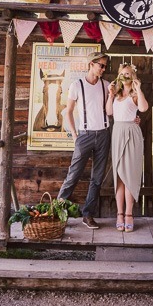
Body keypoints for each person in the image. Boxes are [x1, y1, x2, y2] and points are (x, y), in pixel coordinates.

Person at [57, 51, 111, 229]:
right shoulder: (77, 85)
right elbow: (69, 111)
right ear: (91, 64)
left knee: (97, 178)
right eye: (100, 65)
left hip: (103, 134)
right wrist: (74, 133)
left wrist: (134, 118)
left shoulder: (107, 85)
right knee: (73, 175)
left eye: (104, 65)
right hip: (84, 135)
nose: (103, 68)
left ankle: (88, 215)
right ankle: (57, 212)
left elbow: (116, 107)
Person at [106, 63, 149, 232]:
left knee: (129, 175)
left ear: (133, 76)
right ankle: (119, 214)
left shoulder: (134, 94)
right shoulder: (116, 94)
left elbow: (144, 108)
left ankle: (129, 214)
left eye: (128, 73)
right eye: (123, 73)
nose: (125, 76)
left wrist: (138, 89)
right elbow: (109, 112)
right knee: (119, 175)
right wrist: (110, 95)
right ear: (119, 76)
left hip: (132, 133)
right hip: (117, 132)